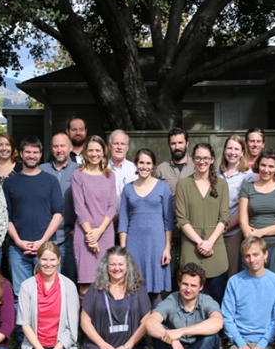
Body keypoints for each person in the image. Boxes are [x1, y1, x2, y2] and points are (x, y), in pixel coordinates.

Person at [2, 136, 63, 307]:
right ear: (21, 154)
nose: (31, 155)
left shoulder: (50, 181)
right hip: (18, 249)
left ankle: (47, 334)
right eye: (27, 152)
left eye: (35, 152)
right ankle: (23, 334)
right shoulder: (10, 183)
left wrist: (42, 242)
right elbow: (5, 217)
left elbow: (58, 214)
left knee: (49, 293)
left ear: (40, 155)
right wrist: (18, 241)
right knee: (20, 296)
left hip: (46, 249)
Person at [145, 262, 222, 349]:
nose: (188, 289)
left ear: (201, 287)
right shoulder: (171, 300)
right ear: (179, 283)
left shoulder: (207, 301)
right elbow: (150, 323)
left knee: (211, 336)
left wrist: (180, 332)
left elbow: (217, 323)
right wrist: (173, 340)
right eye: (185, 284)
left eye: (193, 285)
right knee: (160, 331)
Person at [221, 237, 275, 349]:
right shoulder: (234, 281)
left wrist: (262, 345)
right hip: (240, 339)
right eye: (247, 256)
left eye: (256, 254)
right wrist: (240, 344)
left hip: (264, 340)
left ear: (265, 255)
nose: (252, 260)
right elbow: (227, 316)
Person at [80, 246, 150, 349]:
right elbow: (85, 321)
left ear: (127, 266)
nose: (116, 268)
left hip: (129, 346)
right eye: (112, 264)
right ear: (106, 266)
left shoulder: (138, 289)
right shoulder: (95, 288)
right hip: (99, 346)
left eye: (120, 264)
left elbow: (146, 322)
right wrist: (104, 346)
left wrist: (126, 347)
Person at [17, 242, 80, 349]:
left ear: (58, 260)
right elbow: (25, 323)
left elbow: (73, 326)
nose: (48, 264)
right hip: (36, 344)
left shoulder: (69, 286)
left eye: (52, 260)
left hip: (61, 344)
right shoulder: (27, 286)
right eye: (44, 259)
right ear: (38, 260)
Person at [175, 143, 229, 304]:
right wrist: (200, 242)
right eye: (198, 157)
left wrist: (210, 242)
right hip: (192, 246)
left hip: (215, 246)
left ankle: (214, 329)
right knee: (189, 297)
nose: (202, 161)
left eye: (206, 158)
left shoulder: (221, 185)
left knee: (216, 298)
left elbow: (224, 217)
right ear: (193, 159)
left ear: (212, 160)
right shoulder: (183, 185)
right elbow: (181, 218)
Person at [118, 148, 174, 307]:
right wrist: (123, 251)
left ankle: (159, 329)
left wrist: (167, 247)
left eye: (148, 163)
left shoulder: (162, 187)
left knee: (156, 294)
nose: (144, 166)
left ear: (153, 166)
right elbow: (123, 220)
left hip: (156, 245)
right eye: (141, 162)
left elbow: (168, 219)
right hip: (134, 245)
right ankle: (137, 329)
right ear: (136, 164)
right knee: (133, 290)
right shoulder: (128, 189)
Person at [239, 149, 275, 292]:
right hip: (253, 248)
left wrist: (260, 232)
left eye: (271, 166)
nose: (266, 170)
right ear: (258, 165)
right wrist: (252, 241)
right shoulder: (247, 188)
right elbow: (243, 219)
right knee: (251, 290)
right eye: (263, 165)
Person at [72, 136, 116, 294]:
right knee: (86, 285)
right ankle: (85, 319)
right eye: (90, 150)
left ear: (104, 152)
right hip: (85, 234)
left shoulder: (110, 176)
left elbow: (112, 207)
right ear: (85, 152)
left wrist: (98, 232)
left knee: (106, 282)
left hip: (105, 233)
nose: (94, 154)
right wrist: (90, 235)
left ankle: (104, 319)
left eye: (98, 150)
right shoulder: (78, 175)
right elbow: (79, 207)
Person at [155, 127, 195, 280]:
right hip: (167, 228)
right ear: (169, 145)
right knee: (165, 270)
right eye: (173, 143)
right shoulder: (160, 170)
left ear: (187, 143)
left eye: (180, 142)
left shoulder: (196, 167)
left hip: (190, 228)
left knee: (190, 272)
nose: (177, 147)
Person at [39, 133, 79, 282]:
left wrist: (79, 227)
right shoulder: (41, 170)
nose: (59, 150)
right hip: (47, 236)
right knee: (47, 280)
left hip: (70, 234)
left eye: (62, 146)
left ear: (70, 148)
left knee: (70, 280)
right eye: (55, 146)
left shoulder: (79, 171)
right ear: (51, 148)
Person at [217, 135, 255, 280]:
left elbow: (245, 209)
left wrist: (224, 228)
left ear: (242, 152)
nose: (232, 152)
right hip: (212, 230)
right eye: (229, 148)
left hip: (232, 230)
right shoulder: (215, 172)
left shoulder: (247, 176)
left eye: (236, 149)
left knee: (231, 272)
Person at [108, 129, 136, 217]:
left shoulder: (134, 169)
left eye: (122, 144)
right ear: (109, 146)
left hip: (129, 219)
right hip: (105, 221)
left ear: (127, 147)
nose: (119, 147)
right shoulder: (101, 168)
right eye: (116, 143)